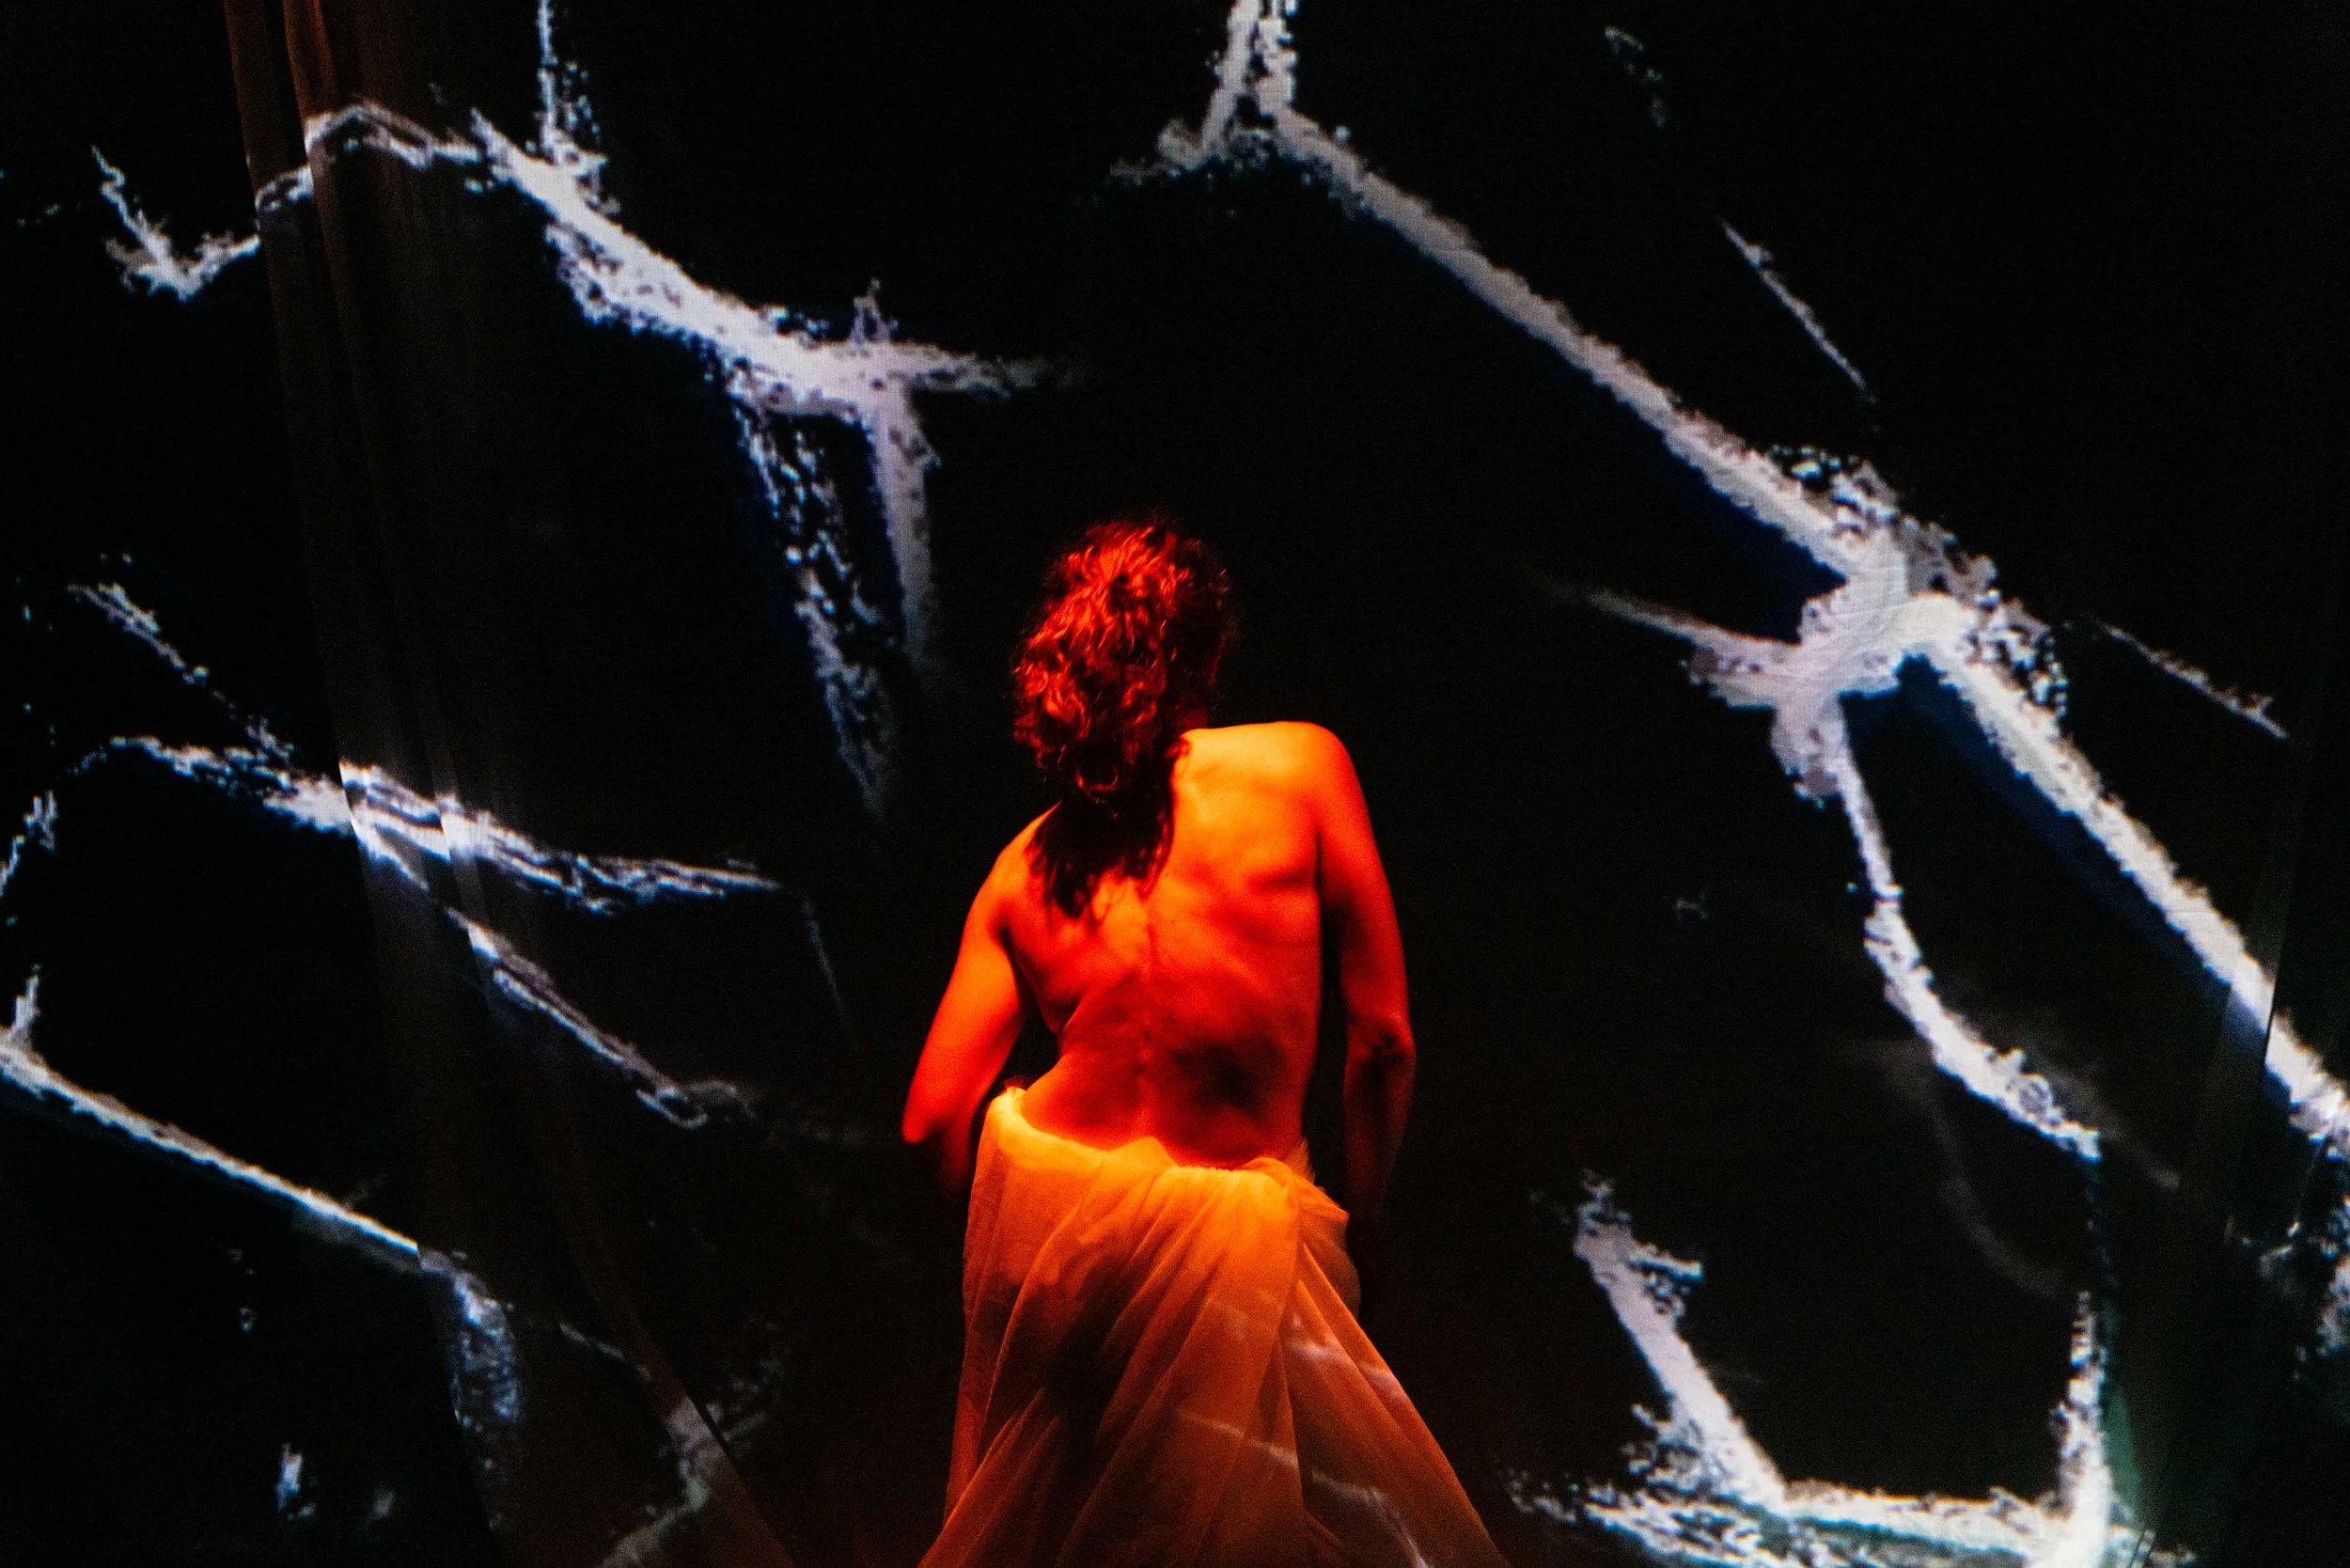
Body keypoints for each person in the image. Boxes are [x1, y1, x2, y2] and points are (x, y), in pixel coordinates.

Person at [902, 520, 1510, 1567]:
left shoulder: (1025, 865)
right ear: (1206, 652)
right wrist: (1365, 1227)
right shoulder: (1301, 769)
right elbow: (1383, 1041)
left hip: (1058, 1240)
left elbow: (927, 1125)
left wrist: (1009, 1277)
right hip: (1237, 1241)